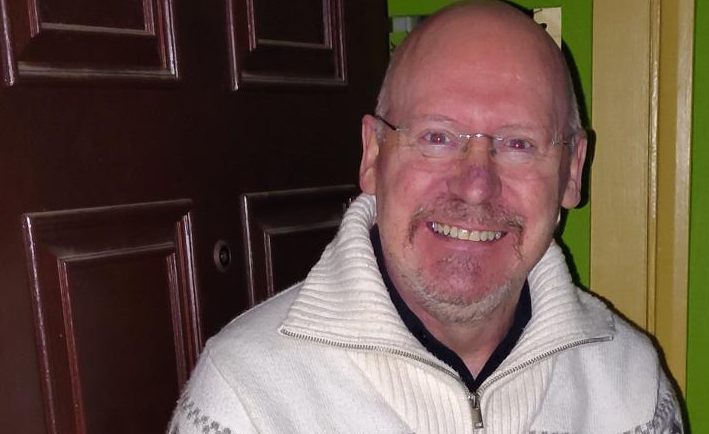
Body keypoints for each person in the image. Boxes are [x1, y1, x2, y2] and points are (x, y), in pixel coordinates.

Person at [167, 1, 683, 433]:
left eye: (518, 144)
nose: (476, 184)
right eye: (438, 138)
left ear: (572, 171)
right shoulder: (244, 400)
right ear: (373, 154)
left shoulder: (633, 387)